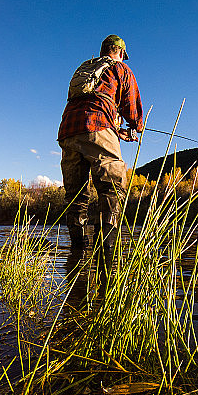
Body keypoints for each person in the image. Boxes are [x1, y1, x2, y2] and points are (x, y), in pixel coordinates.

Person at [57, 34, 144, 252]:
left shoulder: (85, 69)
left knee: (75, 195)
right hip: (97, 126)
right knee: (111, 187)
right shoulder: (120, 69)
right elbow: (132, 108)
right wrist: (135, 127)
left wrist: (116, 130)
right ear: (121, 53)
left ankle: (78, 251)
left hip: (68, 130)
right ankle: (105, 250)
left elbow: (88, 102)